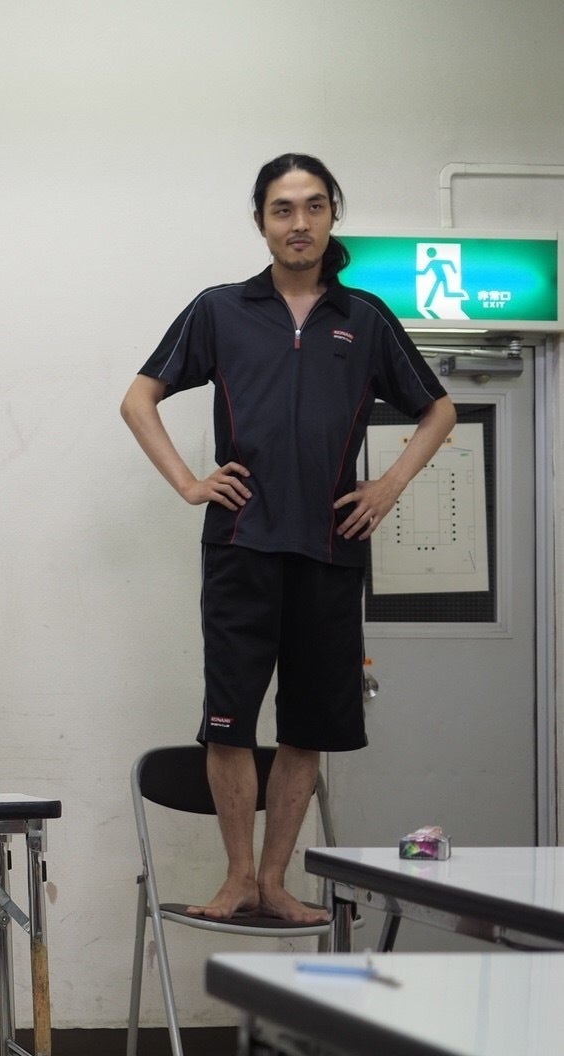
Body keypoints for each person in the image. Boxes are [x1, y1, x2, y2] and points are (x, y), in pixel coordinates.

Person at [120, 153, 457, 924]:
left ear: (332, 215)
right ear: (261, 221)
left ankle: (275, 882)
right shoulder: (220, 309)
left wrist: (389, 484)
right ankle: (238, 878)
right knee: (230, 720)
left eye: (312, 206)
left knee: (308, 725)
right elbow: (139, 398)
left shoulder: (364, 318)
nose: (298, 222)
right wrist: (189, 482)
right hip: (241, 544)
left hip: (330, 548)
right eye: (282, 208)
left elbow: (437, 409)